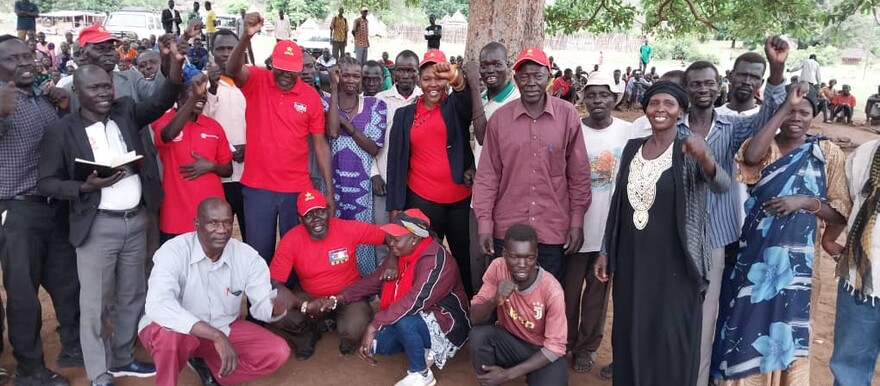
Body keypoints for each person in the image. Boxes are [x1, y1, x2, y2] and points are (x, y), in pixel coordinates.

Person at [37, 41, 183, 385]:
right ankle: (100, 372)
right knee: (95, 303)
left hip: (136, 220)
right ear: (77, 91)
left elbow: (161, 100)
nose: (103, 92)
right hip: (97, 226)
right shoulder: (63, 131)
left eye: (106, 85)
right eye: (94, 87)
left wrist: (174, 65)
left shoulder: (125, 111)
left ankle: (123, 357)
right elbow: (46, 182)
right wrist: (84, 187)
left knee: (132, 293)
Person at [711, 83, 850, 386]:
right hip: (755, 261)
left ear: (815, 114)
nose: (796, 118)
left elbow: (840, 211)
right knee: (745, 330)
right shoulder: (766, 146)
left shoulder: (827, 153)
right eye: (789, 111)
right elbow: (749, 158)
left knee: (790, 335)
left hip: (800, 271)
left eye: (804, 111)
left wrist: (804, 202)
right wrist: (784, 106)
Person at [594, 81, 730, 386]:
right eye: (654, 103)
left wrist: (705, 157)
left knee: (671, 334)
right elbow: (619, 203)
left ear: (680, 110)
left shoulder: (690, 148)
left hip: (677, 264)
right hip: (633, 260)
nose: (660, 110)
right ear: (646, 109)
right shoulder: (632, 148)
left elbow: (721, 185)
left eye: (669, 104)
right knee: (632, 328)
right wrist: (605, 250)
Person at [681, 38, 789, 386]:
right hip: (673, 234)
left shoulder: (733, 128)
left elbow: (767, 119)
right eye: (695, 84)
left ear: (718, 86)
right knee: (671, 311)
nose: (703, 89)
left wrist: (776, 72)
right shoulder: (671, 127)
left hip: (716, 237)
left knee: (706, 319)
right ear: (685, 88)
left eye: (709, 84)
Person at [138, 198, 291, 386]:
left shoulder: (246, 256)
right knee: (169, 338)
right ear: (197, 224)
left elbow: (260, 306)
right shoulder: (174, 251)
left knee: (277, 352)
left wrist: (274, 306)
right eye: (213, 223)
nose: (222, 230)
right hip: (177, 330)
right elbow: (159, 305)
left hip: (223, 326)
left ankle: (212, 369)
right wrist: (216, 336)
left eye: (227, 222)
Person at [474, 47, 591, 285]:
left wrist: (576, 221)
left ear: (548, 77)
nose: (530, 82)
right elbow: (487, 176)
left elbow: (578, 176)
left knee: (546, 302)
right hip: (507, 231)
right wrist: (484, 224)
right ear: (515, 79)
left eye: (537, 75)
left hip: (552, 231)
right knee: (506, 303)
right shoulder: (500, 119)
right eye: (524, 76)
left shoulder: (567, 115)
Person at [0, 35, 78, 386]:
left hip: (53, 206)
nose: (25, 62)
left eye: (27, 55)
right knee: (23, 295)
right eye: (13, 59)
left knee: (65, 284)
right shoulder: (2, 99)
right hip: (17, 212)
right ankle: (30, 370)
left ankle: (74, 348)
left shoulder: (41, 96)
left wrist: (62, 106)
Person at [226, 13, 335, 263]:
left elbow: (320, 144)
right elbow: (231, 69)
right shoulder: (257, 80)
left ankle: (293, 303)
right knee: (258, 254)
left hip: (297, 189)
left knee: (296, 255)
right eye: (281, 70)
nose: (286, 76)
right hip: (258, 187)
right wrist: (246, 36)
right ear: (271, 65)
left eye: (292, 71)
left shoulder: (310, 97)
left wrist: (329, 191)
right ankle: (259, 303)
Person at [334, 209, 470, 386]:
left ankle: (421, 373)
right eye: (390, 237)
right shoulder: (402, 254)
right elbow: (374, 281)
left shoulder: (436, 261)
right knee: (379, 345)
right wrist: (339, 298)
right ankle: (422, 347)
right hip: (417, 314)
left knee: (403, 321)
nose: (390, 243)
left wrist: (374, 324)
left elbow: (414, 301)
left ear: (414, 239)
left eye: (396, 239)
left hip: (447, 322)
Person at [386, 49, 482, 297]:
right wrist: (395, 207)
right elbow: (395, 163)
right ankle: (431, 304)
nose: (433, 84)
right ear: (419, 81)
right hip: (422, 201)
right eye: (427, 78)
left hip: (460, 200)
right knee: (426, 258)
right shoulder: (404, 114)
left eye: (439, 78)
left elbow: (465, 99)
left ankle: (469, 306)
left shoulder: (454, 108)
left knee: (464, 257)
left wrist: (456, 78)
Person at [267, 189, 386, 360]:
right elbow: (274, 283)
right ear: (300, 219)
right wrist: (305, 305)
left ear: (328, 211)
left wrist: (390, 262)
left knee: (354, 327)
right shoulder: (291, 239)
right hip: (309, 296)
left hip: (347, 295)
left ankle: (347, 340)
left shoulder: (347, 228)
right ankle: (308, 336)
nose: (316, 219)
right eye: (309, 215)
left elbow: (390, 236)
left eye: (320, 212)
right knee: (274, 310)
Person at [565, 71, 628, 374]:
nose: (597, 100)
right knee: (567, 293)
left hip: (610, 232)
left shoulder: (628, 132)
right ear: (584, 98)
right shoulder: (573, 129)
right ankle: (564, 342)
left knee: (596, 296)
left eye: (604, 94)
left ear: (615, 97)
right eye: (591, 94)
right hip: (574, 230)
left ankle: (586, 348)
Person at [470, 224, 568, 385]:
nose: (522, 264)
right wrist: (495, 300)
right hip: (511, 343)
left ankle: (528, 374)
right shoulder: (497, 268)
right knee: (478, 336)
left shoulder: (551, 289)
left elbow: (555, 347)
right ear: (504, 254)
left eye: (529, 257)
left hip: (541, 351)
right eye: (515, 257)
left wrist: (507, 375)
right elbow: (475, 318)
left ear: (536, 255)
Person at [151, 74, 232, 242]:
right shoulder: (165, 120)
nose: (201, 94)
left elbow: (228, 169)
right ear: (179, 95)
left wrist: (212, 166)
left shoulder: (214, 126)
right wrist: (193, 99)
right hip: (176, 218)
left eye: (203, 92)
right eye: (194, 89)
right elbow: (167, 135)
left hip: (212, 219)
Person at [324, 58, 387, 274]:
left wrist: (349, 127)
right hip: (333, 185)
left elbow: (374, 148)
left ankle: (363, 287)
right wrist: (333, 88)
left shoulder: (375, 106)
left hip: (362, 187)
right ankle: (337, 280)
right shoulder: (326, 103)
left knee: (362, 237)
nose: (351, 80)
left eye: (356, 76)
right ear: (337, 75)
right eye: (346, 75)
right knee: (334, 234)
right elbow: (332, 131)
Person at [469, 41, 520, 292]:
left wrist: (471, 86)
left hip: (507, 200)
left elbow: (483, 136)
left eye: (497, 64)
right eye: (485, 64)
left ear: (508, 66)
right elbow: (480, 149)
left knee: (505, 268)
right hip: (480, 198)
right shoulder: (484, 98)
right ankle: (482, 327)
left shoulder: (515, 102)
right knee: (480, 265)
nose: (490, 70)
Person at [830, 138, 880, 386]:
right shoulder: (865, 154)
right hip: (859, 282)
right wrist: (829, 238)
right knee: (849, 372)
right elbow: (847, 204)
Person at [373, 50, 422, 264]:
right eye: (401, 70)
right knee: (384, 235)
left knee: (412, 236)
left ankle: (407, 284)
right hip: (384, 181)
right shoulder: (379, 101)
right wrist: (374, 174)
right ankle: (382, 289)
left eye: (410, 70)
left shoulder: (425, 99)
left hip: (415, 184)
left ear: (417, 72)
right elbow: (370, 141)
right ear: (394, 73)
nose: (406, 75)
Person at [203, 29, 248, 244]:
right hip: (218, 173)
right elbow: (201, 121)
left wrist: (250, 147)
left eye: (231, 48)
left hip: (249, 173)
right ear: (212, 52)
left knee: (252, 232)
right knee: (218, 233)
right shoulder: (202, 83)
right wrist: (211, 88)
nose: (226, 53)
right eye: (220, 49)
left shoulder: (252, 81)